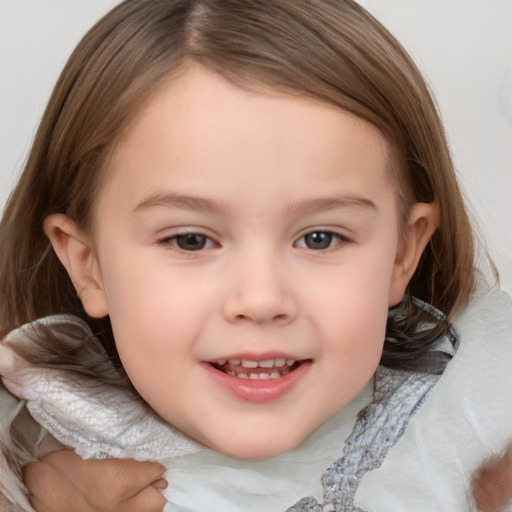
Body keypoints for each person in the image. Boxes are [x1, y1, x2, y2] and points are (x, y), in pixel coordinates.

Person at [0, 0, 510, 511]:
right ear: (88, 265)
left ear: (403, 253)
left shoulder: (486, 434)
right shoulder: (35, 471)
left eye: (320, 238)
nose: (262, 299)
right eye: (190, 240)